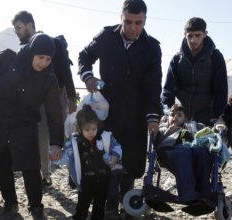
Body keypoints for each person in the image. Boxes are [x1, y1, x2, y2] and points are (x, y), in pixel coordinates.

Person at [78, 0, 162, 218]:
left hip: (136, 115)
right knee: (108, 159)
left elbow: (154, 85)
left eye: (138, 23)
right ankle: (109, 204)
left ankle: (128, 202)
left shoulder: (152, 47)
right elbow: (84, 57)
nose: (133, 27)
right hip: (108, 113)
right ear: (120, 17)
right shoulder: (106, 37)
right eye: (128, 22)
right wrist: (87, 76)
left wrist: (153, 117)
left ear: (145, 20)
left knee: (132, 162)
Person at [0, 33, 64, 220]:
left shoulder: (48, 79)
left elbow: (55, 114)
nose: (43, 62)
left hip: (24, 125)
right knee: (1, 164)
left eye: (48, 59)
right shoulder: (6, 59)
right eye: (40, 57)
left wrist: (56, 142)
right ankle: (10, 204)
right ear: (31, 51)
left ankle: (36, 207)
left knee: (31, 166)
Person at [11, 11, 77, 187]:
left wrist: (71, 97)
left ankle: (74, 173)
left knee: (62, 132)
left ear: (30, 25)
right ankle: (45, 175)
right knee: (40, 135)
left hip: (58, 95)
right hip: (36, 98)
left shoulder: (53, 43)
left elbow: (65, 70)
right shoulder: (23, 51)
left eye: (19, 27)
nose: (16, 32)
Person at [54, 105, 122, 220]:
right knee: (82, 206)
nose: (91, 132)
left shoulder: (105, 137)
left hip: (104, 179)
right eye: (87, 129)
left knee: (99, 207)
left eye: (94, 129)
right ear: (80, 129)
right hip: (85, 181)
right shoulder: (75, 142)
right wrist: (56, 158)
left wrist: (115, 156)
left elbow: (117, 147)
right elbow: (66, 157)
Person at [161, 17, 228, 126]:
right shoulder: (177, 59)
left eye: (198, 35)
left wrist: (217, 117)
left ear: (205, 34)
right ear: (184, 34)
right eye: (190, 36)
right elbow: (168, 90)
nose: (193, 40)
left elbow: (221, 90)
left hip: (207, 117)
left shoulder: (215, 57)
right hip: (182, 116)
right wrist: (167, 113)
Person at [154, 104, 213, 205]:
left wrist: (218, 125)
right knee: (183, 151)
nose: (175, 117)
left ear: (185, 118)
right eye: (172, 115)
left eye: (179, 115)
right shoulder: (163, 128)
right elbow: (157, 144)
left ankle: (205, 193)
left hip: (192, 152)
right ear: (168, 117)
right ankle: (188, 195)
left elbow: (209, 131)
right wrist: (169, 132)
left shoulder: (193, 126)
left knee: (202, 150)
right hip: (170, 153)